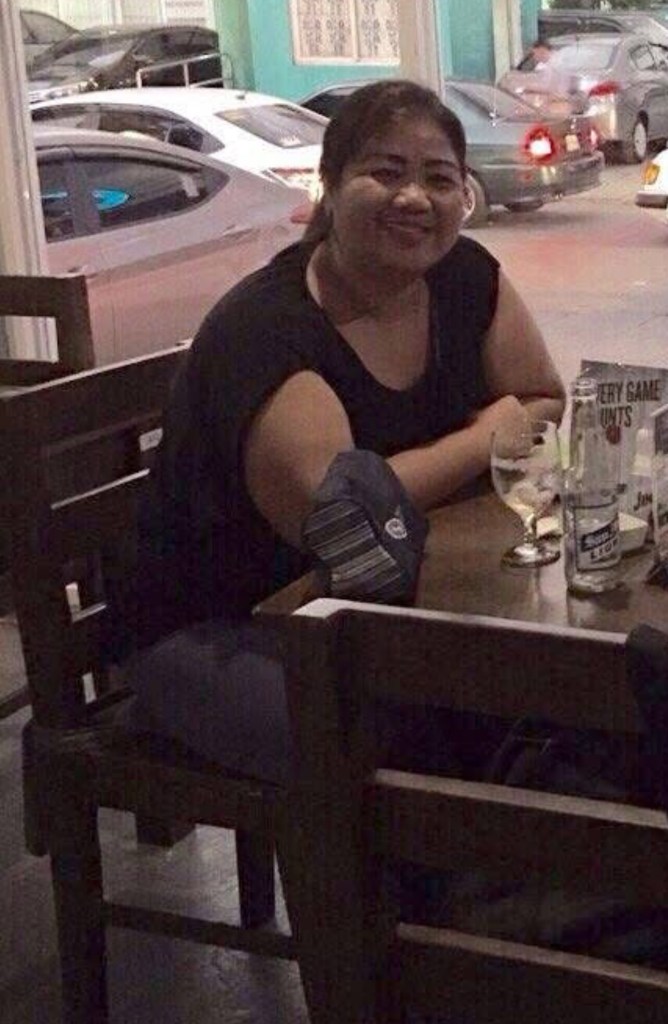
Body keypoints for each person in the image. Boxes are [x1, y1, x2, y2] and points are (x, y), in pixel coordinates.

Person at [118, 78, 565, 784]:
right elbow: (341, 519)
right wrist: (486, 437)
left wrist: (486, 434)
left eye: (439, 178)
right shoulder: (268, 328)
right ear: (328, 183)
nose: (414, 198)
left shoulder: (464, 276)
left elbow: (541, 396)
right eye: (385, 172)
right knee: (390, 746)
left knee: (534, 705)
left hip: (374, 603)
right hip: (220, 624)